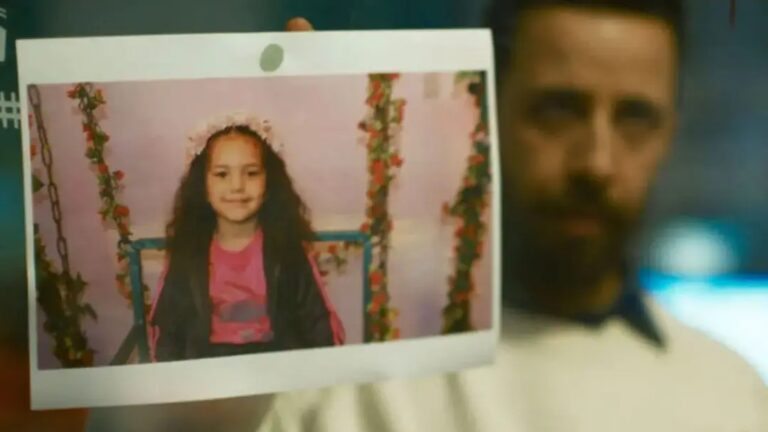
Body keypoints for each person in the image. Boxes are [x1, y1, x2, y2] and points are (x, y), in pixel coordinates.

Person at [253, 2, 768, 431]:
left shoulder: (734, 396)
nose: (597, 162)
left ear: (668, 133)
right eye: (558, 110)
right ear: (480, 110)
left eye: (635, 118)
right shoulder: (334, 383)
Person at [149, 112, 345, 361]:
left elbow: (318, 325)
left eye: (251, 173)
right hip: (209, 369)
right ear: (203, 186)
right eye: (222, 174)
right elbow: (168, 332)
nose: (237, 186)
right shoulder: (187, 254)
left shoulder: (289, 251)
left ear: (269, 183)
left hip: (277, 365)